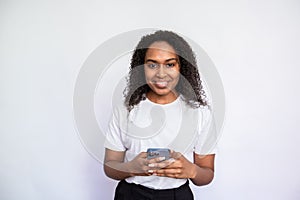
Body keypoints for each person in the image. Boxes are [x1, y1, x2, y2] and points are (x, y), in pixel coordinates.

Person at [104, 30, 217, 200]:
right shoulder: (125, 110)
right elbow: (110, 166)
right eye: (152, 64)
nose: (161, 74)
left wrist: (191, 170)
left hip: (177, 195)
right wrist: (132, 168)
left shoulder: (199, 113)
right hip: (131, 194)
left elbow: (207, 174)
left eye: (170, 64)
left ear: (182, 68)